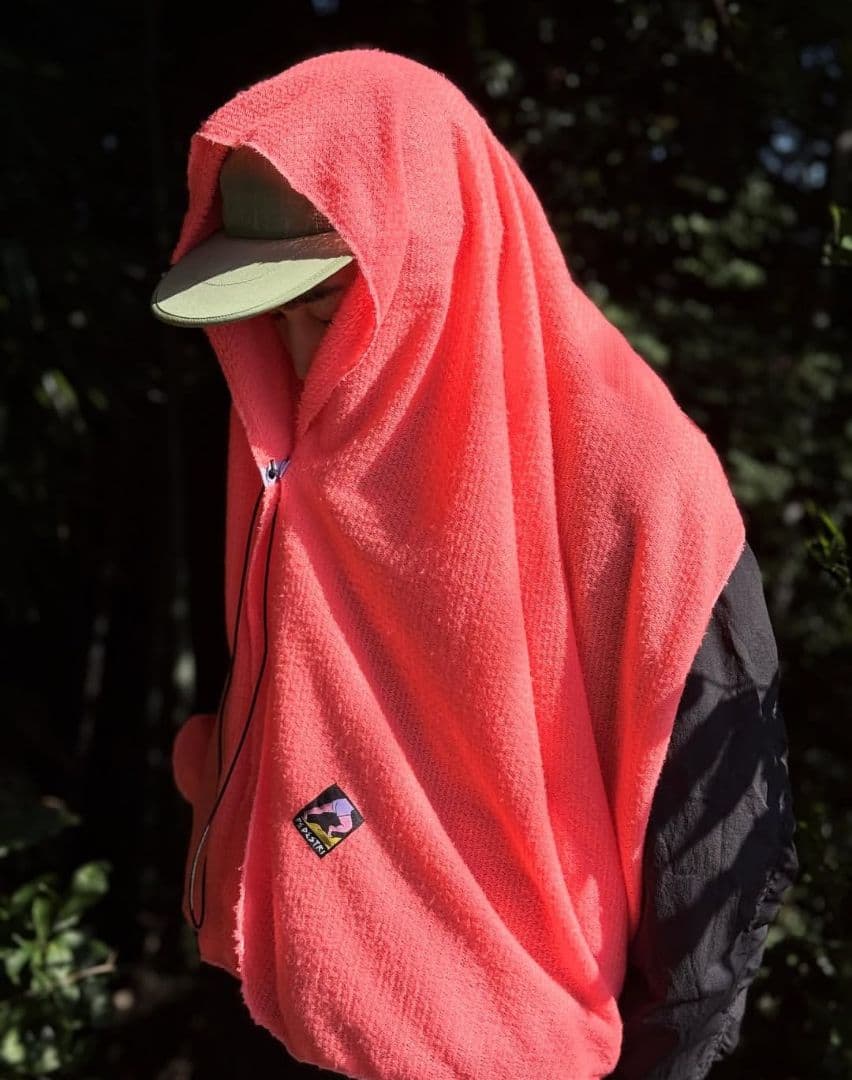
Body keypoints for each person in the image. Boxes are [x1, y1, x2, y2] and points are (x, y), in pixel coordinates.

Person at [150, 48, 798, 1080]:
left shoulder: (639, 484)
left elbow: (718, 845)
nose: (296, 353)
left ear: (434, 260)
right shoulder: (294, 455)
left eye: (325, 306)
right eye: (268, 313)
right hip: (280, 1026)